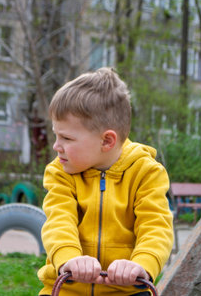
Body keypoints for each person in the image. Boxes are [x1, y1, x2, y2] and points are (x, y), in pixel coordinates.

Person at [38, 67, 174, 295]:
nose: (56, 146)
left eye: (67, 138)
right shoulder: (60, 172)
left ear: (107, 141)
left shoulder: (146, 172)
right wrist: (69, 259)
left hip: (125, 289)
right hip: (69, 287)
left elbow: (156, 226)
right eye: (56, 135)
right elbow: (58, 221)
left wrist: (142, 264)